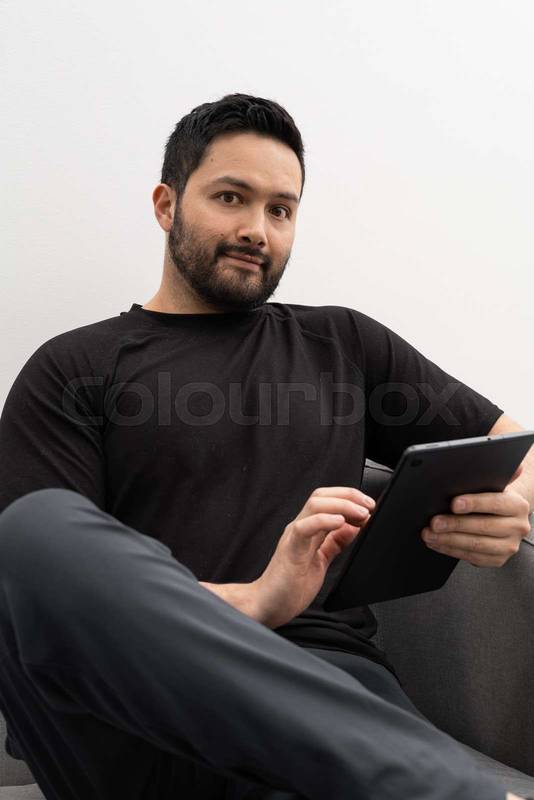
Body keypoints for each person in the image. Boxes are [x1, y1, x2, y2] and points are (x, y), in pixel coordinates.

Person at [0, 93, 532, 800]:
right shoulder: (74, 367)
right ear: (166, 204)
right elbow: (37, 590)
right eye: (231, 197)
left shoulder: (342, 343)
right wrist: (253, 601)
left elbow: (521, 450)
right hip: (135, 706)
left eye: (281, 210)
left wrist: (510, 503)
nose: (257, 229)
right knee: (33, 529)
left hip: (324, 688)